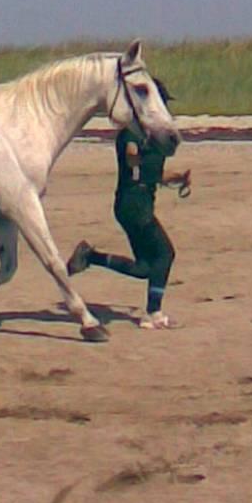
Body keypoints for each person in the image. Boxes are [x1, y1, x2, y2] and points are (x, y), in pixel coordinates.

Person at [66, 78, 191, 330]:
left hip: (138, 204)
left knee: (144, 267)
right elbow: (132, 159)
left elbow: (154, 174)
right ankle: (153, 314)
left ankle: (91, 256)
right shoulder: (131, 134)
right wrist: (137, 154)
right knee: (165, 254)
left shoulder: (154, 138)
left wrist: (177, 179)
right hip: (133, 205)